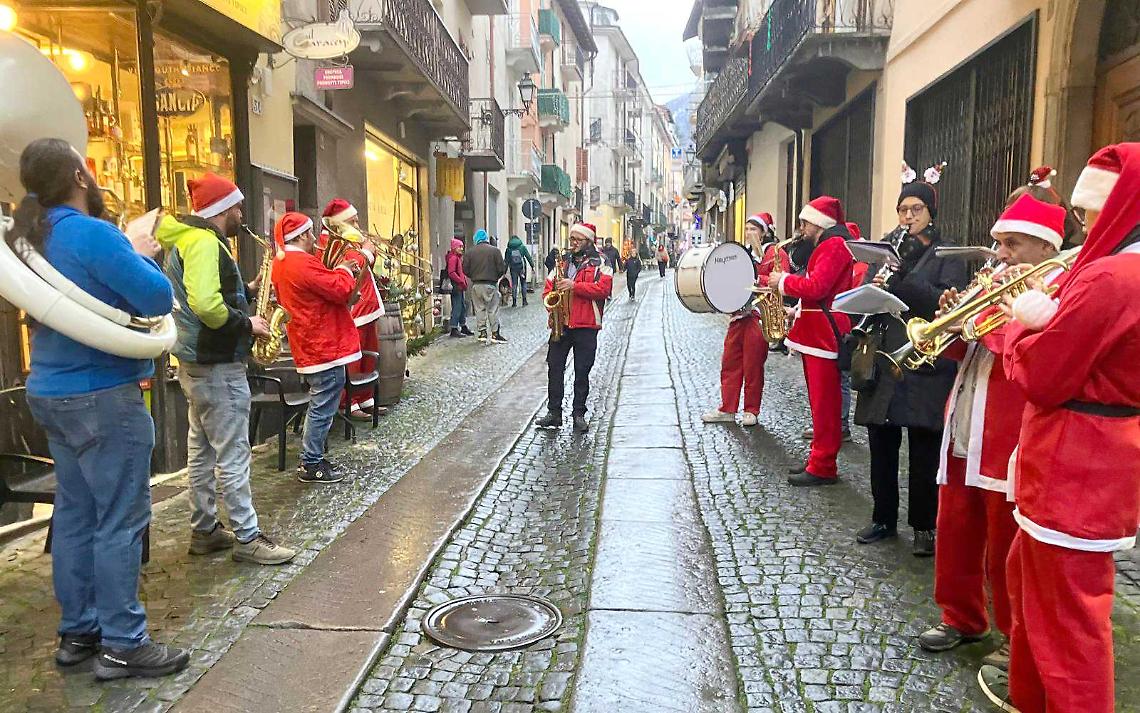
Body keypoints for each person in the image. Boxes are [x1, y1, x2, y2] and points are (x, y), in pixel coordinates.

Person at [14, 138, 188, 679]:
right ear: (80, 176)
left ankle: (78, 634)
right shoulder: (90, 233)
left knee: (75, 515)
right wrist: (136, 250)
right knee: (119, 519)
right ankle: (123, 642)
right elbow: (158, 298)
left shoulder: (32, 237)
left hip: (49, 390)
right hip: (104, 393)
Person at [978, 144, 1140, 713]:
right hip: (1088, 465)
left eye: (1092, 213)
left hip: (1072, 468)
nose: (1085, 224)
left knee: (1068, 629)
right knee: (1035, 596)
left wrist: (1022, 321)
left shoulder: (1114, 276)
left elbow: (1043, 376)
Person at [916, 193, 1066, 670]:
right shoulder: (998, 282)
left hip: (1008, 432)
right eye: (999, 242)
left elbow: (1039, 355)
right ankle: (960, 615)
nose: (1000, 253)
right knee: (955, 525)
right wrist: (953, 325)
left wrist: (987, 326)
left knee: (1005, 542)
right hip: (965, 416)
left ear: (1044, 248)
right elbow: (967, 353)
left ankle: (1013, 634)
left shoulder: (1056, 290)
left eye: (1013, 244)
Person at [156, 173, 296, 566]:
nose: (240, 213)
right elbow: (206, 304)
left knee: (200, 452)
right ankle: (248, 538)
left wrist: (248, 291)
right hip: (217, 365)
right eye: (236, 206)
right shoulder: (204, 242)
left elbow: (207, 294)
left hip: (194, 362)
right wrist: (247, 323)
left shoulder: (187, 240)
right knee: (234, 454)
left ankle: (205, 530)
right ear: (220, 209)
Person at [852, 173, 967, 555]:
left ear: (930, 213)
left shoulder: (946, 254)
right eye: (902, 209)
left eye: (916, 209)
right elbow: (870, 289)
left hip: (924, 359)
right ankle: (883, 517)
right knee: (881, 443)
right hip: (885, 355)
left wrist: (900, 280)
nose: (908, 216)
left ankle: (924, 525)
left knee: (923, 447)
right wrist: (871, 293)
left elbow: (941, 304)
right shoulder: (888, 249)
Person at [271, 212, 370, 484]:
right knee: (323, 404)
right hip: (320, 343)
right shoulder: (299, 262)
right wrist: (347, 267)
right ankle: (311, 461)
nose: (315, 239)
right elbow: (337, 288)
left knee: (322, 401)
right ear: (301, 235)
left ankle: (313, 458)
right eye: (311, 233)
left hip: (313, 341)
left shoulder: (284, 262)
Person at [764, 196, 854, 487]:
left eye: (805, 222)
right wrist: (796, 311)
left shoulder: (833, 245)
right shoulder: (828, 245)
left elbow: (818, 287)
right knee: (819, 403)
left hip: (824, 335)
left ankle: (823, 464)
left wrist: (783, 281)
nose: (801, 228)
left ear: (820, 222)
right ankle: (818, 457)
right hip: (817, 331)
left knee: (825, 403)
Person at [702, 214, 789, 427]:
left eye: (753, 229)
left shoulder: (775, 253)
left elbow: (783, 279)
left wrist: (758, 279)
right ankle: (727, 408)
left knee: (753, 365)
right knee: (730, 363)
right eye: (747, 228)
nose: (748, 233)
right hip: (739, 315)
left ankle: (751, 410)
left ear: (764, 232)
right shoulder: (743, 254)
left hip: (760, 314)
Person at [536, 223, 614, 433]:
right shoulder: (563, 262)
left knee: (582, 371)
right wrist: (550, 307)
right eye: (572, 240)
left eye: (577, 240)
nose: (573, 244)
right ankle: (554, 412)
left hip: (586, 324)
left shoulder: (601, 262)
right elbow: (548, 287)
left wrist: (575, 286)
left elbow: (603, 289)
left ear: (588, 242)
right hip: (562, 323)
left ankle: (578, 414)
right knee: (554, 368)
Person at [318, 199, 385, 419]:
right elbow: (348, 267)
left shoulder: (351, 239)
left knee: (368, 354)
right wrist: (366, 252)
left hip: (367, 307)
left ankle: (365, 397)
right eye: (353, 221)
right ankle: (349, 402)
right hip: (352, 310)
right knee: (353, 358)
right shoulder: (332, 241)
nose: (357, 225)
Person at [463, 229, 507, 344]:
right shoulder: (495, 251)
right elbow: (502, 268)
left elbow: (465, 269)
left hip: (476, 285)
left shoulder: (470, 252)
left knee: (479, 309)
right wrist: (496, 277)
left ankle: (482, 333)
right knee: (493, 309)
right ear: (486, 238)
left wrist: (473, 275)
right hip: (491, 284)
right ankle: (495, 334)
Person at [447, 237, 472, 338]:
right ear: (454, 248)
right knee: (457, 307)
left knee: (461, 306)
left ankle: (463, 326)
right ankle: (454, 328)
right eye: (459, 246)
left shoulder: (457, 257)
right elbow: (451, 272)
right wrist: (461, 280)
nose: (462, 248)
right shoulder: (453, 258)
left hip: (459, 286)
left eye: (462, 246)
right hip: (456, 286)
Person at [505, 234, 535, 307]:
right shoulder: (522, 247)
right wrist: (532, 266)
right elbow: (528, 257)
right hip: (522, 268)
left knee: (514, 284)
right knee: (523, 283)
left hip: (513, 268)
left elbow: (506, 261)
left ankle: (514, 302)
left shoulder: (508, 249)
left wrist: (504, 270)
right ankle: (524, 301)